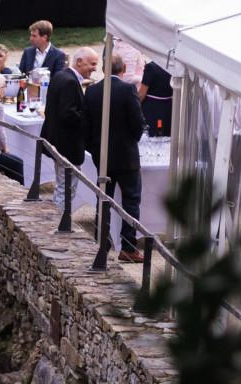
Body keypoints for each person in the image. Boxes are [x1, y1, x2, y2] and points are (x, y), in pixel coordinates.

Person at [84, 54, 146, 261]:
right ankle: (128, 246)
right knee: (131, 200)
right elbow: (138, 124)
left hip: (101, 155)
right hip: (126, 155)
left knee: (103, 198)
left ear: (103, 69)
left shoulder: (92, 91)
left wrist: (94, 149)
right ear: (125, 67)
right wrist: (131, 142)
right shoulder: (128, 90)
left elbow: (87, 126)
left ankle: (101, 239)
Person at [41, 47, 98, 206]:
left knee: (62, 186)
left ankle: (57, 220)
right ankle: (60, 223)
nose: (95, 68)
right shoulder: (70, 82)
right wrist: (90, 117)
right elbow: (68, 115)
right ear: (79, 62)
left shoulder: (61, 75)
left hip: (57, 142)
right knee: (66, 189)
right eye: (92, 64)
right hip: (67, 146)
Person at [138, 60, 173, 137]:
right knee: (164, 136)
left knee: (151, 137)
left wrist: (135, 106)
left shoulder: (151, 67)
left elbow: (142, 94)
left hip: (152, 108)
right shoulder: (172, 66)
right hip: (168, 108)